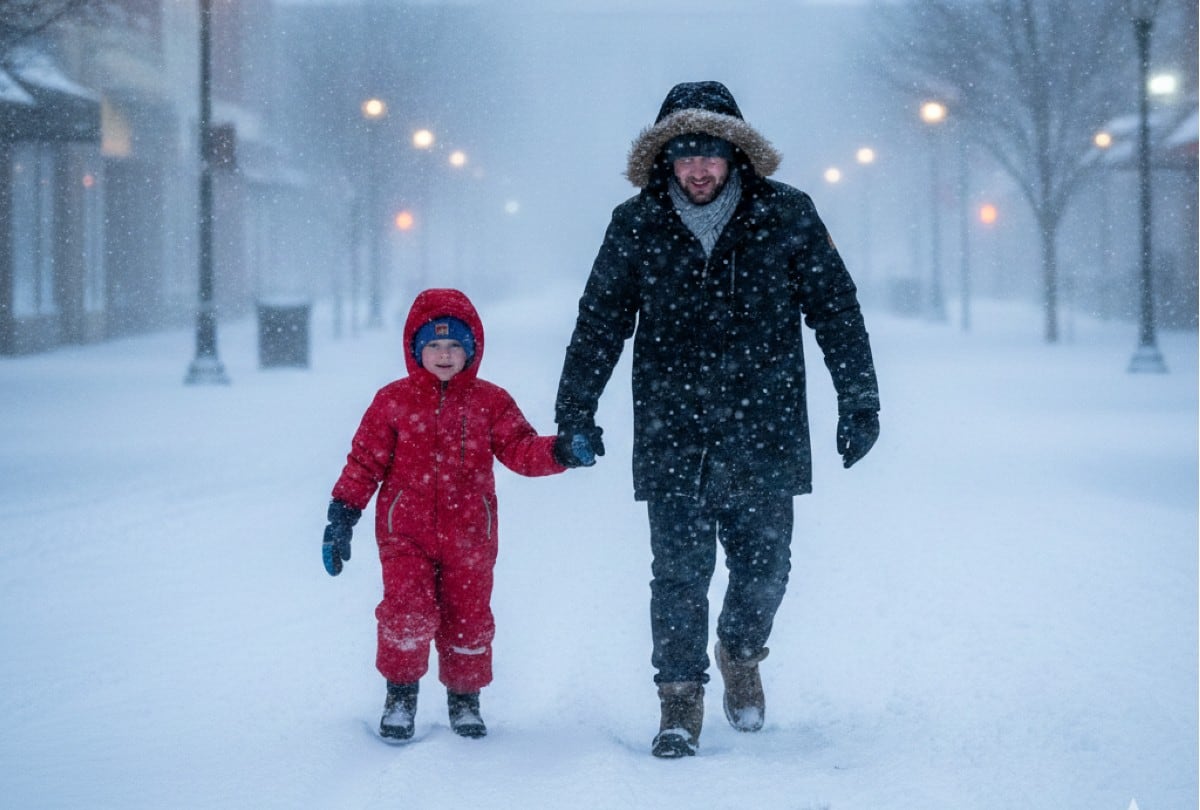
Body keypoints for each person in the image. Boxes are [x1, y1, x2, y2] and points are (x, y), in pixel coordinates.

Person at [553, 81, 881, 758]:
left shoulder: (787, 216)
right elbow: (599, 323)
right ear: (664, 159)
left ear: (736, 155)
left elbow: (837, 313)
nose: (698, 168)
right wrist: (574, 410)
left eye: (711, 153)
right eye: (684, 154)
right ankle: (680, 701)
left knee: (766, 572)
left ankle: (739, 649)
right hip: (674, 432)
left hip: (765, 428)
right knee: (678, 573)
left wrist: (860, 401)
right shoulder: (635, 224)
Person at [322, 287, 592, 742]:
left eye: (454, 346)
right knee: (405, 611)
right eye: (433, 345)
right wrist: (342, 515)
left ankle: (465, 700)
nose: (444, 355)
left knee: (468, 616)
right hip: (404, 533)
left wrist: (562, 451)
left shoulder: (490, 401)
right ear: (415, 348)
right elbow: (364, 462)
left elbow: (521, 450)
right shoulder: (393, 401)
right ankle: (401, 696)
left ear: (471, 349)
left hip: (471, 534)